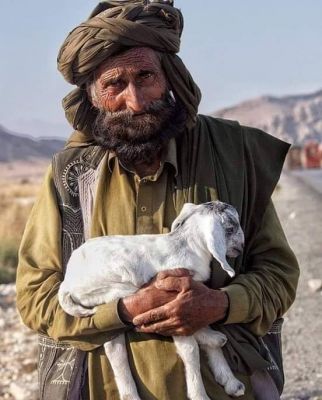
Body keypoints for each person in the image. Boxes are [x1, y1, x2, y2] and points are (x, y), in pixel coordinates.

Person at [16, 1, 299, 399]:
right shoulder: (71, 176)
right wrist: (124, 310)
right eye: (114, 84)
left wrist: (219, 304)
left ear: (170, 77)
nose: (134, 101)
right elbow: (35, 298)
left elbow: (279, 275)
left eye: (145, 76)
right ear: (93, 95)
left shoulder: (231, 156)